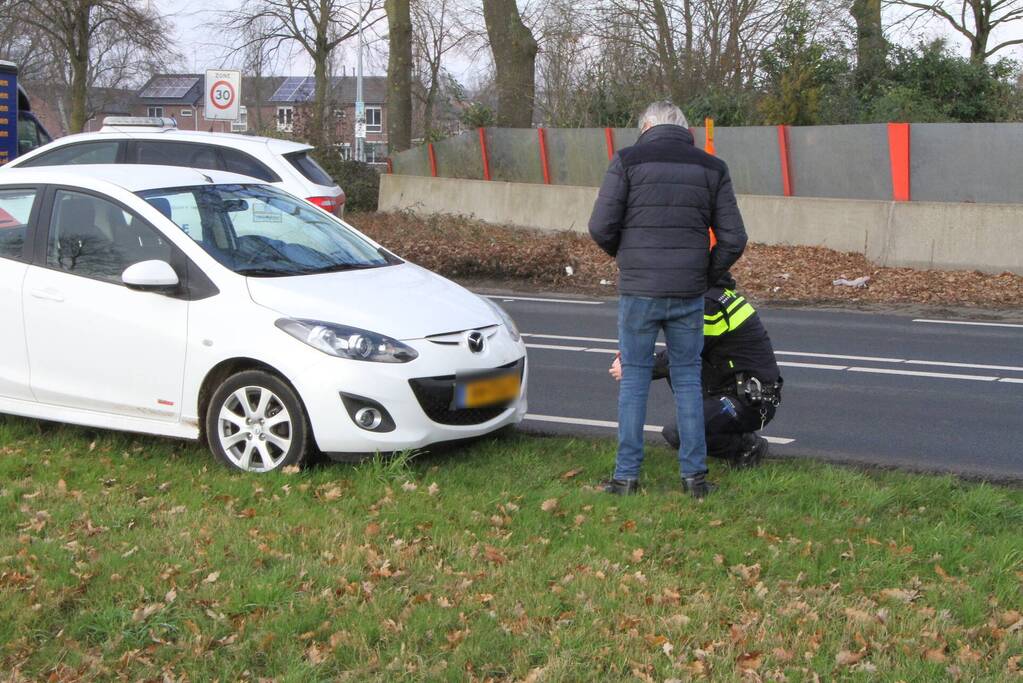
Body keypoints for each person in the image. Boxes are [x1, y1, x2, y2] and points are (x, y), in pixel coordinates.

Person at [588, 100, 747, 498]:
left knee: (634, 381)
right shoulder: (712, 168)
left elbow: (600, 226)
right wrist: (705, 274)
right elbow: (734, 239)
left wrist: (628, 259)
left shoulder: (626, 161)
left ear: (646, 127)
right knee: (689, 378)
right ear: (685, 129)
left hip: (639, 291)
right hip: (689, 292)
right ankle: (695, 479)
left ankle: (626, 478)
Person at [609, 273, 783, 468]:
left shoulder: (709, 304)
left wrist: (634, 367)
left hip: (749, 401)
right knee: (680, 373)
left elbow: (684, 352)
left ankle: (746, 447)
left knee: (678, 433)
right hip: (734, 390)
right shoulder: (712, 294)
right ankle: (729, 433)